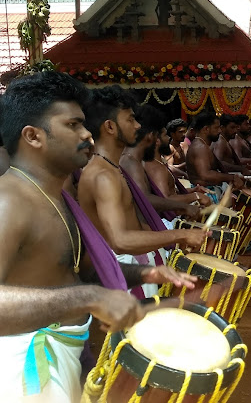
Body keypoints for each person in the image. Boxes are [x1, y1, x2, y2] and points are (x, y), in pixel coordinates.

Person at [0, 72, 190, 402]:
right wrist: (89, 298)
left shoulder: (55, 196)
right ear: (33, 136)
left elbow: (72, 271)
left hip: (65, 353)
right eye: (72, 125)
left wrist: (144, 273)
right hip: (25, 371)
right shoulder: (9, 202)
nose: (88, 134)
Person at [78, 86, 209, 297]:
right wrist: (180, 234)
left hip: (131, 264)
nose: (138, 125)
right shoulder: (103, 175)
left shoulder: (110, 168)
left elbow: (132, 224)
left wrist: (170, 237)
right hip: (122, 273)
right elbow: (120, 241)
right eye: (130, 119)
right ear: (110, 127)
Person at [120, 105, 201, 224]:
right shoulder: (130, 162)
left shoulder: (134, 160)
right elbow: (145, 199)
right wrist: (185, 205)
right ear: (151, 136)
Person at [143, 124, 212, 209]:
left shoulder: (158, 163)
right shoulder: (156, 167)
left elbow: (171, 193)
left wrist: (192, 190)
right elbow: (165, 199)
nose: (169, 138)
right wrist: (195, 196)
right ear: (157, 141)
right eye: (165, 135)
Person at [185, 111, 245, 190]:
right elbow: (206, 175)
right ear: (206, 129)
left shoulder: (203, 145)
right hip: (207, 193)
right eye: (216, 128)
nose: (220, 131)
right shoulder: (200, 147)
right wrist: (231, 177)